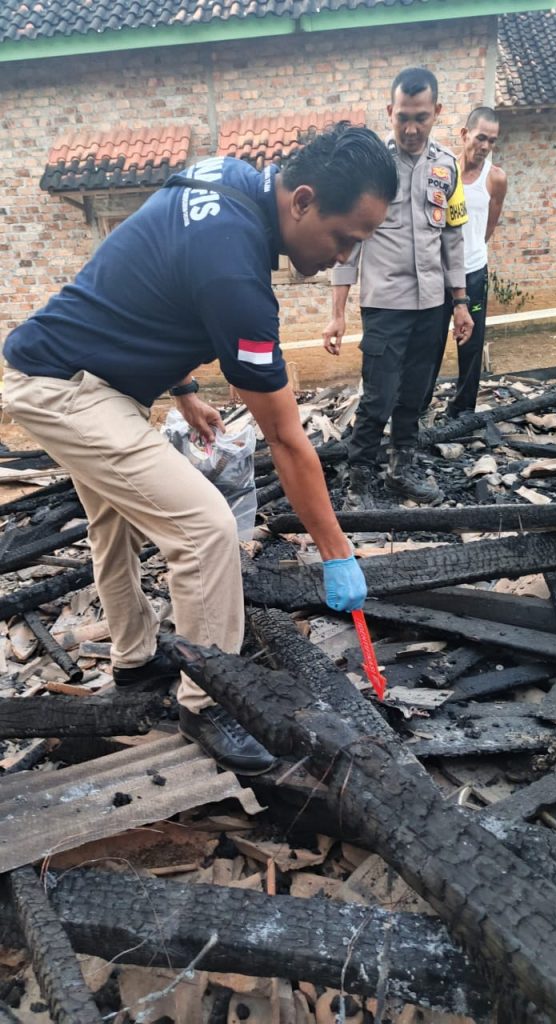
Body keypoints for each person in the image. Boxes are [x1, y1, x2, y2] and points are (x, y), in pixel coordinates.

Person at [2, 124, 398, 774]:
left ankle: (134, 663)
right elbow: (286, 439)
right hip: (65, 390)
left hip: (67, 368)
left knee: (114, 522)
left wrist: (183, 388)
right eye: (343, 238)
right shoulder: (237, 279)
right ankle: (210, 701)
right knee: (206, 528)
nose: (342, 258)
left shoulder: (223, 173)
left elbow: (154, 271)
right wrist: (337, 555)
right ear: (301, 201)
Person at [323, 68, 473, 509]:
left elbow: (452, 238)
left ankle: (400, 471)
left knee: (414, 394)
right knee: (378, 397)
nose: (411, 128)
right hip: (385, 305)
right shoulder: (372, 168)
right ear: (390, 112)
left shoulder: (446, 167)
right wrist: (337, 313)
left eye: (421, 117)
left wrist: (460, 303)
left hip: (432, 305)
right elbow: (348, 242)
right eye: (402, 117)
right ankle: (358, 481)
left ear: (437, 113)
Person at [424, 107, 508, 417]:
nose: (485, 146)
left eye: (492, 141)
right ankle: (419, 405)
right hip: (439, 273)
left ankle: (462, 409)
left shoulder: (495, 178)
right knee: (430, 341)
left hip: (473, 272)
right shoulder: (445, 172)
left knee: (470, 343)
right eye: (481, 138)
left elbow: (490, 224)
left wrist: (471, 253)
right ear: (465, 135)